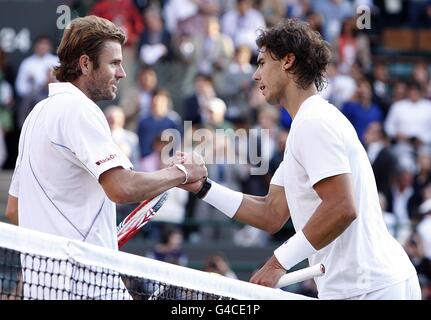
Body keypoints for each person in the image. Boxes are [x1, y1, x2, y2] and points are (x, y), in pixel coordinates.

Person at [178, 19, 421, 300]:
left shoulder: (314, 122)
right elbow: (271, 214)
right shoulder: (304, 125)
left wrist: (277, 263)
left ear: (288, 61)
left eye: (261, 63)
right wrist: (204, 187)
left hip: (373, 288)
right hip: (360, 288)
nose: (256, 75)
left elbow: (342, 207)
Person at [5, 15, 206, 249]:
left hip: (44, 278)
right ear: (85, 64)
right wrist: (181, 172)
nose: (122, 73)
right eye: (114, 63)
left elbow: (13, 209)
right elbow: (122, 187)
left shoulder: (36, 114)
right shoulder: (79, 109)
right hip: (87, 278)